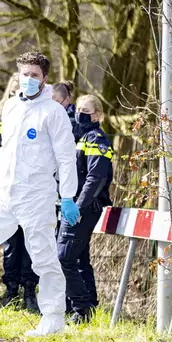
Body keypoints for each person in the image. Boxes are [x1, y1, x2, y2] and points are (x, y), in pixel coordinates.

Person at [0, 51, 79, 337]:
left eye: (34, 76)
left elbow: (65, 157)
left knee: (43, 257)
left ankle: (52, 317)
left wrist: (68, 196)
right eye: (24, 75)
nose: (28, 80)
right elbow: (7, 149)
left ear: (44, 78)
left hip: (36, 195)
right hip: (3, 191)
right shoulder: (10, 107)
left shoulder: (53, 112)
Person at [57, 94, 114, 324]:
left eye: (86, 110)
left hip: (85, 208)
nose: (80, 113)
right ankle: (87, 308)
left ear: (98, 115)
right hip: (73, 205)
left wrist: (78, 207)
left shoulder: (96, 139)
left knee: (64, 257)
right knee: (79, 259)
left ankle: (81, 308)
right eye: (78, 108)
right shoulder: (79, 136)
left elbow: (96, 176)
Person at [0, 73, 39, 312]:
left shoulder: (35, 114)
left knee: (28, 242)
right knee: (8, 244)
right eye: (15, 86)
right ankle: (10, 290)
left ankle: (30, 292)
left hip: (27, 187)